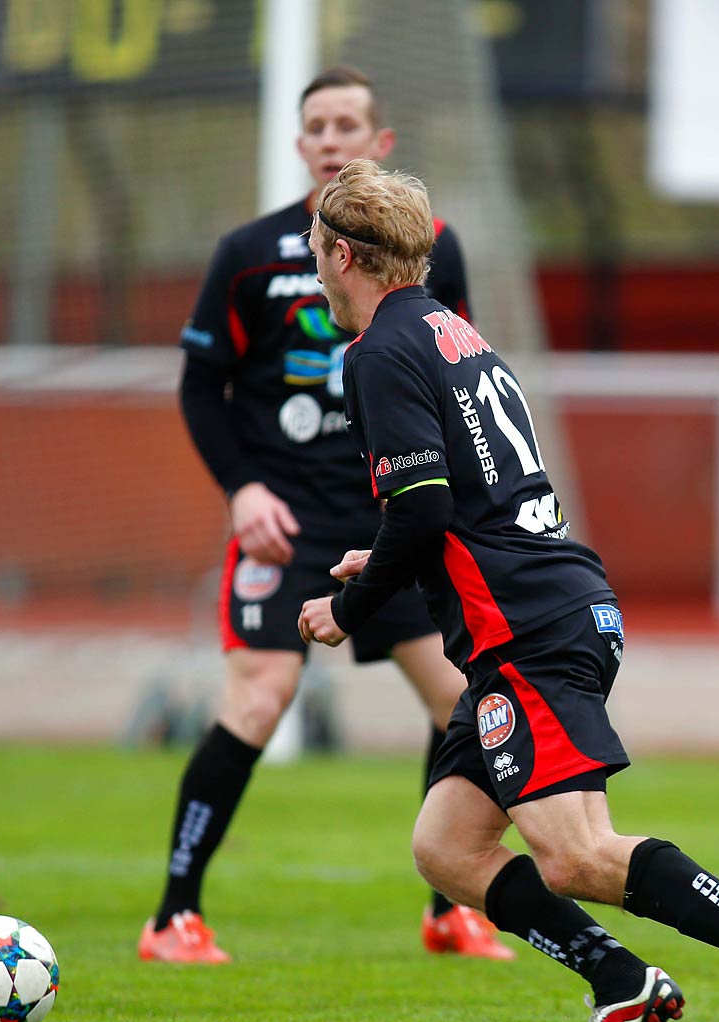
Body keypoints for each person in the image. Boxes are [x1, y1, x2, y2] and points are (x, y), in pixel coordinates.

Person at [298, 160, 719, 1022]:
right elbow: (460, 503)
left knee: (575, 855)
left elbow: (428, 508)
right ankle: (622, 985)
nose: (316, 269)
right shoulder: (450, 331)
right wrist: (403, 559)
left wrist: (352, 605)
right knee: (447, 846)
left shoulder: (377, 353)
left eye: (318, 252)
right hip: (541, 610)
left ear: (346, 253)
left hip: (526, 628)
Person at [142, 66, 510, 963]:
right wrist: (243, 488)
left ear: (381, 144)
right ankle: (173, 918)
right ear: (301, 145)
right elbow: (200, 384)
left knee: (468, 700)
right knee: (260, 701)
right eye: (317, 125)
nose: (333, 137)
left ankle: (449, 907)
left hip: (397, 522)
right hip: (289, 523)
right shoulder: (248, 254)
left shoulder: (436, 250)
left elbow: (452, 378)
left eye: (350, 123)